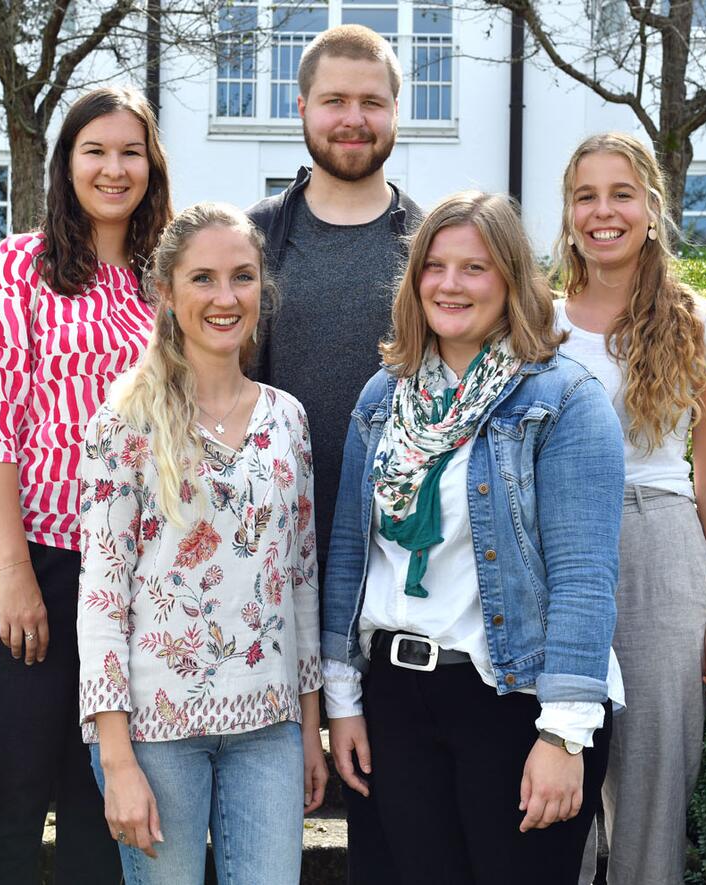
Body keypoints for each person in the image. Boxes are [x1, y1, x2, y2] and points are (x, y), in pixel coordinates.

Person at [322, 190, 627, 885]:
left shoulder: (563, 401)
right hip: (394, 703)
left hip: (514, 704)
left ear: (513, 280)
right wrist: (343, 701)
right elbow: (350, 556)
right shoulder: (384, 398)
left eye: (475, 268)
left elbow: (585, 579)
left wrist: (562, 734)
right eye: (434, 265)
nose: (450, 284)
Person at [0, 85, 172, 883]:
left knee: (101, 805)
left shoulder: (167, 281)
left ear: (152, 164)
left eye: (130, 152)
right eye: (96, 151)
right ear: (66, 164)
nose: (115, 169)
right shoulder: (20, 265)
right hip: (24, 553)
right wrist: (13, 571)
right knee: (10, 796)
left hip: (132, 576)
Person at [77, 203, 328, 884]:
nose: (226, 298)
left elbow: (299, 579)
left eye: (242, 277)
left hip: (269, 733)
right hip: (156, 738)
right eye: (204, 279)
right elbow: (101, 595)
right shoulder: (122, 422)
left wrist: (310, 727)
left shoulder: (287, 419)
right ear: (167, 291)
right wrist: (117, 757)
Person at [246, 23, 423, 881]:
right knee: (264, 816)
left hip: (399, 565)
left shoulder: (437, 246)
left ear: (398, 110)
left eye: (372, 102)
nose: (353, 119)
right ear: (303, 107)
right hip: (265, 567)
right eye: (335, 101)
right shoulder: (252, 242)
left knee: (391, 814)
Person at [550, 133, 706, 885]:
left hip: (661, 543)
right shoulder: (536, 319)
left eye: (621, 193)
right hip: (557, 543)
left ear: (653, 208)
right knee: (550, 753)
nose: (604, 211)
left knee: (656, 770)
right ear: (568, 214)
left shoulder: (701, 323)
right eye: (586, 196)